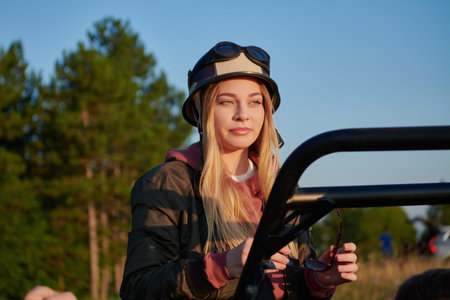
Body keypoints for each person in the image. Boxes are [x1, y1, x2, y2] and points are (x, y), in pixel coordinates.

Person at [119, 41, 358, 300]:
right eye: (226, 102)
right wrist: (222, 267)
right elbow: (138, 288)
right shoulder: (166, 184)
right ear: (203, 112)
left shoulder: (281, 186)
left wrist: (317, 281)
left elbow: (288, 287)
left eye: (255, 102)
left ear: (266, 111)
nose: (243, 114)